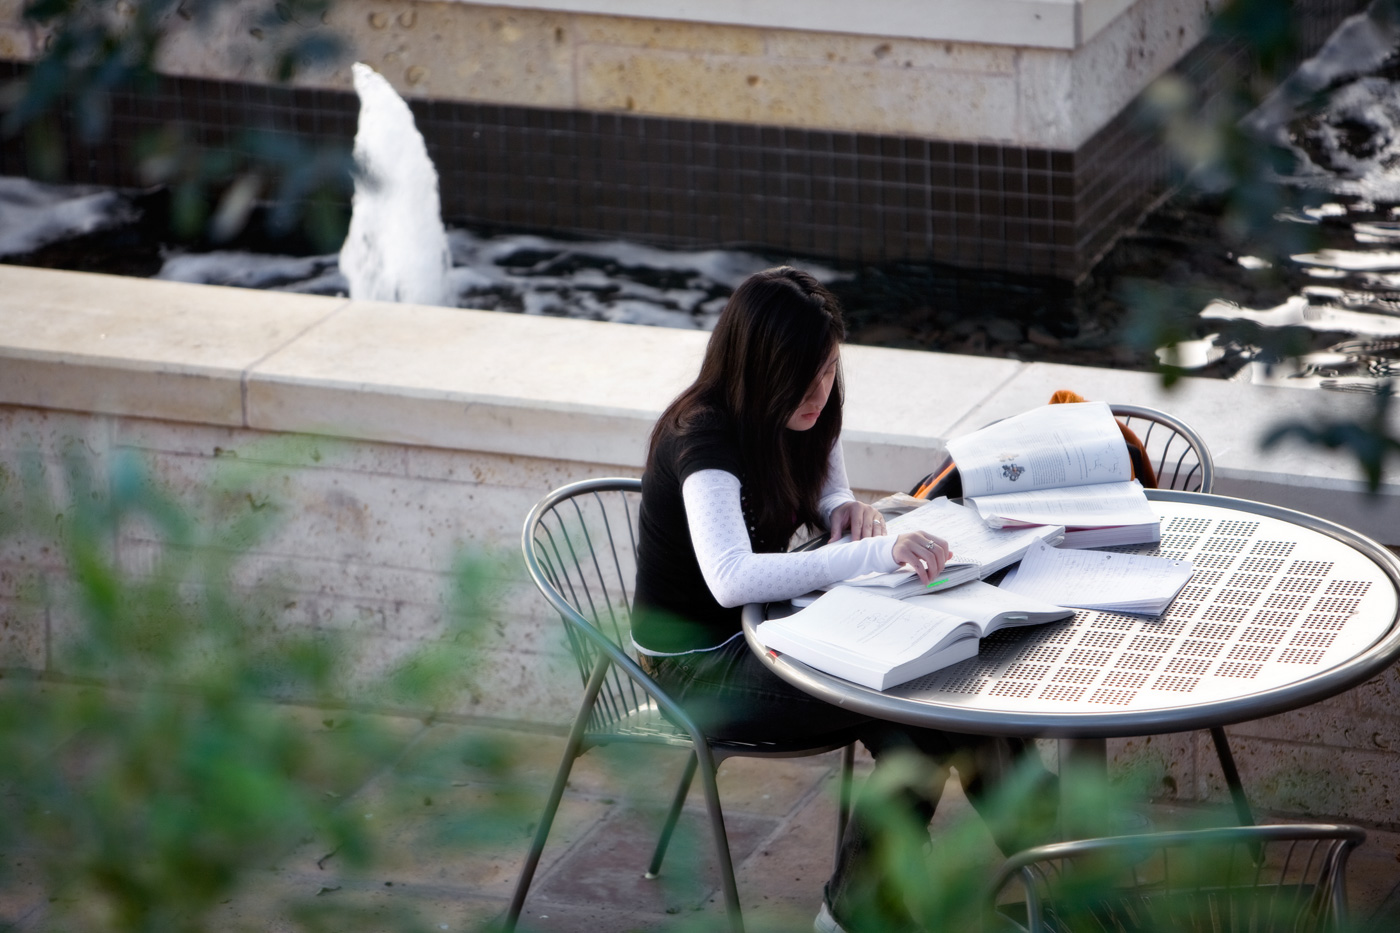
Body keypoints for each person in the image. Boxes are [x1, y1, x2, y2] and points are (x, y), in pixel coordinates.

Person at [631, 266, 1055, 933]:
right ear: (756, 369)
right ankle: (877, 906)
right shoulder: (704, 438)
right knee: (927, 713)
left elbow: (830, 485)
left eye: (827, 371)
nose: (818, 392)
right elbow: (730, 578)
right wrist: (876, 551)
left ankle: (1044, 888)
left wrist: (843, 510)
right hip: (700, 667)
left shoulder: (807, 407)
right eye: (803, 377)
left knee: (950, 701)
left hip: (770, 631)